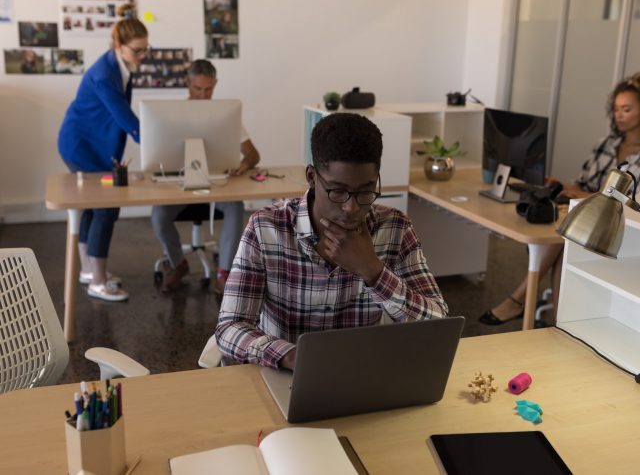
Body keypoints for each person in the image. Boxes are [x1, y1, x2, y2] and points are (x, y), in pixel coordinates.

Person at [215, 112, 448, 369]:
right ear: (312, 177)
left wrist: (373, 271)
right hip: (284, 374)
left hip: (361, 374)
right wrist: (294, 357)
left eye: (366, 191)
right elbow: (230, 327)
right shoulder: (266, 228)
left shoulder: (394, 228)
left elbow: (439, 325)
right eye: (338, 191)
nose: (351, 207)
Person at [480, 73, 640, 325]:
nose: (619, 115)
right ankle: (557, 321)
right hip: (583, 213)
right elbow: (583, 183)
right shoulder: (606, 143)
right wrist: (561, 185)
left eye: (627, 109)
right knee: (564, 237)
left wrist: (584, 196)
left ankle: (519, 300)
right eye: (617, 109)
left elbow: (626, 203)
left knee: (563, 237)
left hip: (613, 227)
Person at [57, 4, 148, 302]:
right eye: (138, 51)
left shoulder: (122, 66)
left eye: (146, 50)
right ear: (120, 46)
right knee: (106, 207)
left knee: (96, 206)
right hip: (80, 145)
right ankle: (97, 280)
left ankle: (88, 270)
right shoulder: (104, 74)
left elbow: (118, 119)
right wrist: (154, 142)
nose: (142, 57)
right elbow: (124, 117)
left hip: (94, 143)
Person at [150, 59, 260, 294]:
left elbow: (253, 154)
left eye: (208, 89)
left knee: (235, 208)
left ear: (215, 84)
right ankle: (179, 264)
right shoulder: (170, 116)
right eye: (197, 89)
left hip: (217, 187)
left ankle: (224, 273)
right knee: (159, 214)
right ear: (187, 83)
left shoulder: (225, 116)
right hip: (181, 188)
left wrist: (243, 164)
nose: (202, 95)